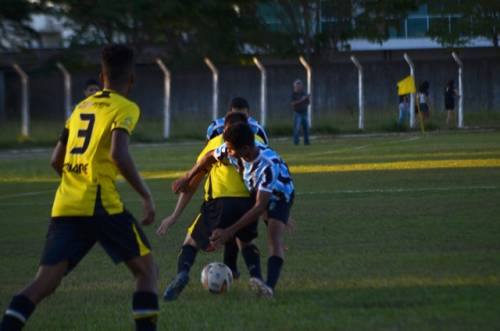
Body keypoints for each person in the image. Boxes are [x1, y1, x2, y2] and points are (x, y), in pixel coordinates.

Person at [0, 44, 159, 331]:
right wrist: (146, 196)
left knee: (43, 284)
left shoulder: (80, 108)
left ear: (101, 76)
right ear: (132, 79)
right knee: (146, 271)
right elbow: (118, 154)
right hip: (100, 202)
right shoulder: (126, 108)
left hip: (66, 204)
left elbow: (55, 160)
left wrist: (76, 180)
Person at [173, 122, 295, 298]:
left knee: (274, 238)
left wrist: (229, 231)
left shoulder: (267, 166)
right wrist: (187, 177)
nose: (227, 152)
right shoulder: (233, 149)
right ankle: (257, 280)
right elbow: (208, 157)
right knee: (256, 230)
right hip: (258, 191)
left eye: (231, 150)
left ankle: (269, 288)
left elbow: (259, 207)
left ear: (245, 149)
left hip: (280, 195)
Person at [157, 111, 264, 301]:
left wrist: (174, 215)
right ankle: (257, 278)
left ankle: (182, 273)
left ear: (226, 129)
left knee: (190, 242)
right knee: (246, 242)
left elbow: (193, 182)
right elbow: (267, 178)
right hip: (249, 202)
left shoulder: (218, 142)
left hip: (220, 202)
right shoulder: (256, 140)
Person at [205, 97, 269, 279]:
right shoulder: (215, 129)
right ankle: (240, 272)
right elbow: (208, 155)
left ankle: (240, 272)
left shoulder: (257, 130)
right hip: (226, 189)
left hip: (247, 188)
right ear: (228, 114)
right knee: (239, 236)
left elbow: (262, 158)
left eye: (243, 116)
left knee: (240, 237)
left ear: (249, 115)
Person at [291, 79, 310, 145]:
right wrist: (302, 100)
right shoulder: (294, 94)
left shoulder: (303, 93)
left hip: (304, 113)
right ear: (295, 86)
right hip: (297, 113)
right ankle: (296, 142)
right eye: (297, 86)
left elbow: (308, 103)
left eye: (300, 85)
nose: (299, 87)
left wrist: (307, 98)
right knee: (297, 128)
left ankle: (306, 142)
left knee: (306, 128)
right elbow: (293, 103)